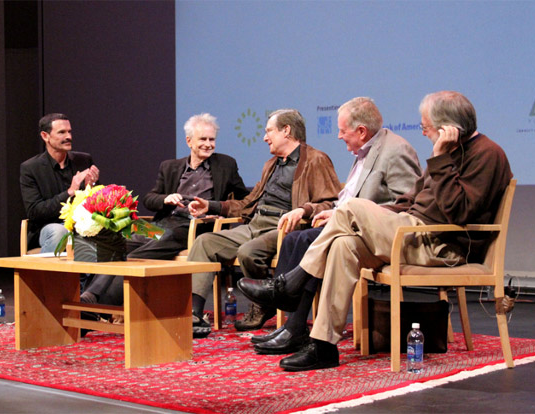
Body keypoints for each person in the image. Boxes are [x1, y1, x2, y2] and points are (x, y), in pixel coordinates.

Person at [238, 91, 513, 371]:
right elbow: (412, 199)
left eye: (426, 127)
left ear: (447, 129)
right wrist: (382, 215)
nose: (425, 133)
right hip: (412, 232)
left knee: (352, 207)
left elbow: (459, 212)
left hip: (440, 244)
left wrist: (440, 157)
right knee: (343, 245)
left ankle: (291, 284)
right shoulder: (451, 153)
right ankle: (323, 346)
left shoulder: (487, 154)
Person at [239, 97, 422, 355]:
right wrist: (331, 213)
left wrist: (357, 214)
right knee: (295, 238)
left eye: (342, 130)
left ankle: (293, 320)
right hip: (348, 225)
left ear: (361, 131)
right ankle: (293, 323)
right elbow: (343, 199)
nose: (337, 136)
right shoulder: (364, 152)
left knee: (305, 240)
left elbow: (406, 205)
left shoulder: (395, 150)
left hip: (373, 234)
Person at [187, 109, 342, 337]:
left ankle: (263, 301)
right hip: (255, 223)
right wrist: (210, 206)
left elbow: (331, 202)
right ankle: (194, 315)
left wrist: (303, 210)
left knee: (248, 252)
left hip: (283, 226)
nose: (265, 137)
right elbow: (248, 203)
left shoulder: (316, 160)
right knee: (204, 242)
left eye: (269, 131)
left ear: (286, 131)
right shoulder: (271, 164)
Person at [80, 113, 249, 306]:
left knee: (138, 255)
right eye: (203, 139)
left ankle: (102, 304)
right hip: (163, 224)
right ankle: (91, 295)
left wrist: (218, 210)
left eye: (212, 139)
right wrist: (166, 199)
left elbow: (244, 200)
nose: (208, 144)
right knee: (116, 241)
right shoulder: (170, 167)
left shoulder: (225, 164)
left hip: (195, 226)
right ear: (189, 141)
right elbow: (149, 199)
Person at [20, 113, 99, 253]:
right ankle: (52, 275)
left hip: (81, 226)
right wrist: (70, 192)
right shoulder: (31, 168)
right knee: (60, 232)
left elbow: (95, 202)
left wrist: (91, 187)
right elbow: (35, 212)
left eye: (69, 132)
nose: (68, 136)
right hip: (47, 227)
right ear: (45, 136)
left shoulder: (83, 160)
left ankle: (97, 275)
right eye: (61, 132)